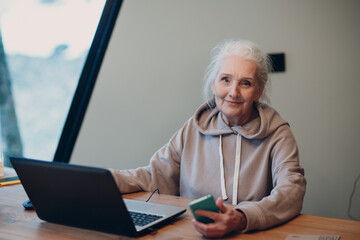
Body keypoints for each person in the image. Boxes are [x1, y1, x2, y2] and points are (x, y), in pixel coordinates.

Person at [111, 39, 306, 237]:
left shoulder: (277, 132)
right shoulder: (194, 127)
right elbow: (153, 176)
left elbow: (292, 190)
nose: (233, 92)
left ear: (258, 92)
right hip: (194, 234)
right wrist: (105, 179)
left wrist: (241, 217)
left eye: (245, 83)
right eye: (225, 80)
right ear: (213, 85)